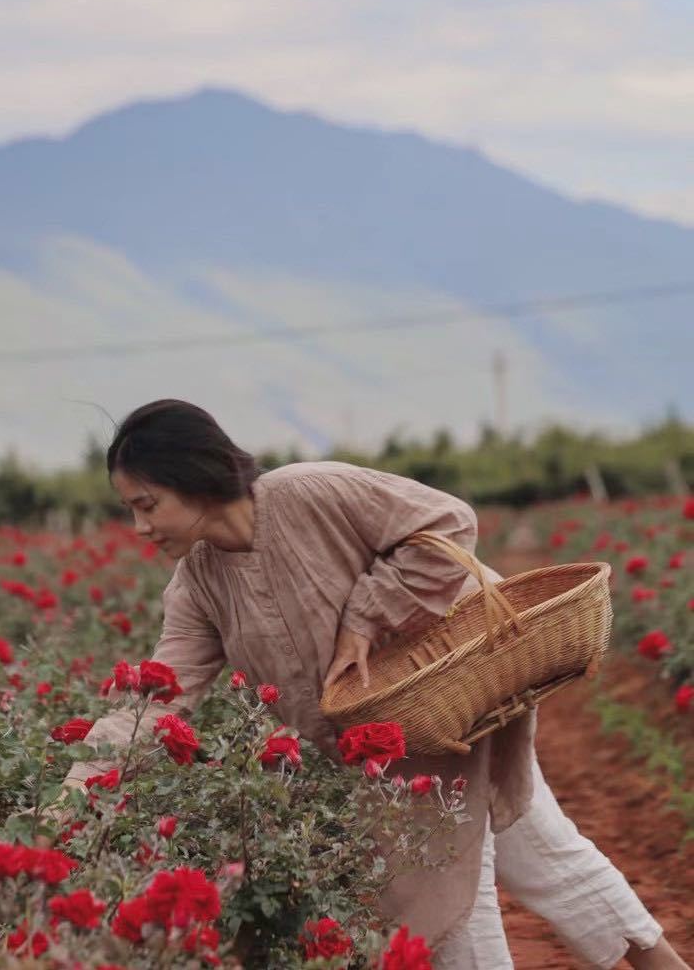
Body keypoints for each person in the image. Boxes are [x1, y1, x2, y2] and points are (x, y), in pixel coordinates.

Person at [62, 399, 688, 969]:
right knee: (539, 852)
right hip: (372, 752)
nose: (139, 527)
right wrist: (77, 788)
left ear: (194, 478)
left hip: (443, 705)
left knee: (449, 896)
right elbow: (156, 697)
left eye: (147, 505)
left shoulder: (308, 492)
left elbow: (448, 521)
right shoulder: (198, 585)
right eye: (131, 510)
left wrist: (365, 619)